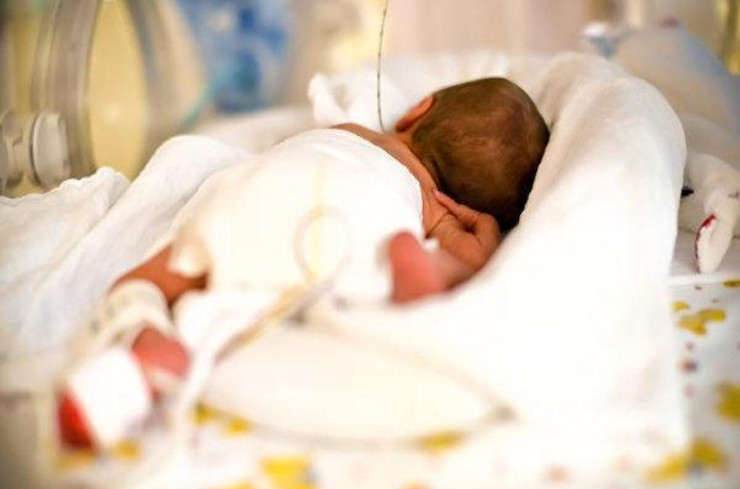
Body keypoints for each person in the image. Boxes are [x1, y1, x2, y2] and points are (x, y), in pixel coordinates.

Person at [57, 77, 550, 449]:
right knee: (282, 285)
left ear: (419, 109)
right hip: (351, 226)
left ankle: (145, 341)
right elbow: (467, 253)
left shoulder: (358, 132)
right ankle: (415, 267)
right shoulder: (432, 209)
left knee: (152, 280)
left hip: (266, 190)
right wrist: (476, 252)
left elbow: (326, 108)